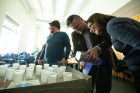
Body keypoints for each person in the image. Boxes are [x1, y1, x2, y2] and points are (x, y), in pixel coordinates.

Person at [86, 13, 140, 93]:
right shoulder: (114, 24)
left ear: (96, 20)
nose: (90, 30)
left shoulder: (112, 25)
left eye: (90, 26)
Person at [66, 14, 118, 93]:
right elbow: (77, 51)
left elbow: (108, 41)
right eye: (74, 28)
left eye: (77, 26)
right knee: (86, 89)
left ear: (81, 19)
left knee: (103, 89)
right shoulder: (74, 35)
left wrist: (97, 48)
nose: (76, 29)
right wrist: (81, 61)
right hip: (88, 65)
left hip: (104, 62)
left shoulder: (95, 24)